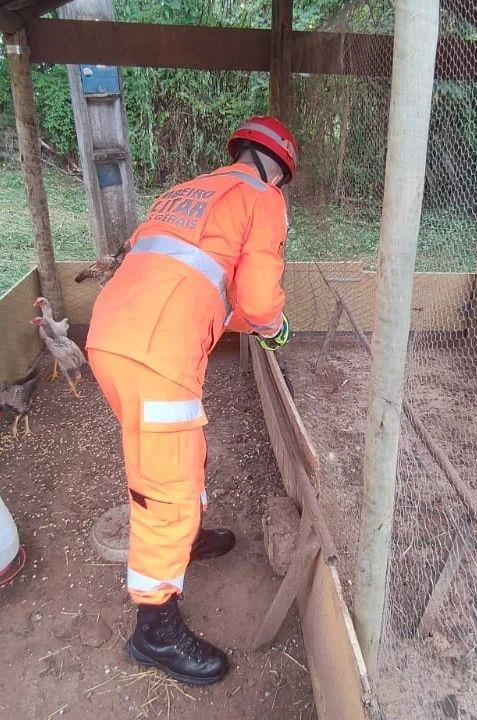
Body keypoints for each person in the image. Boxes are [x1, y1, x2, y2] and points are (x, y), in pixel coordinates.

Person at [86, 116, 296, 685]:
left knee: (185, 451)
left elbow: (186, 278)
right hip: (155, 355)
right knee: (166, 488)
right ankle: (154, 630)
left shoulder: (190, 191)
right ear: (278, 169)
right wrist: (274, 328)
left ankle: (190, 538)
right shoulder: (264, 200)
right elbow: (255, 299)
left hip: (114, 333)